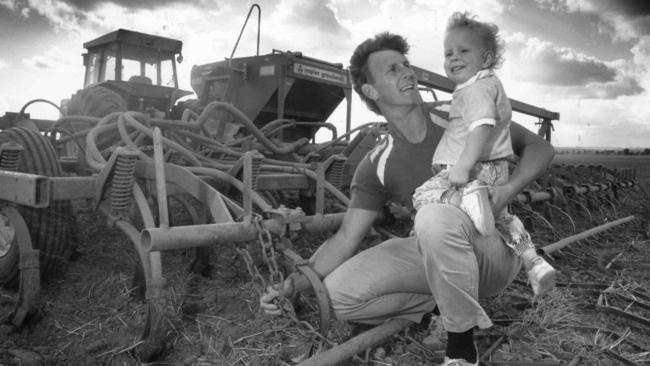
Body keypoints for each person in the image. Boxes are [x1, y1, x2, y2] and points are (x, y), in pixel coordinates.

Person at [260, 30, 555, 366]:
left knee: (432, 216)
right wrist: (293, 285)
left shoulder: (458, 114)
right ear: (371, 91)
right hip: (436, 248)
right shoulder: (376, 164)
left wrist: (505, 191)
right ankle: (437, 304)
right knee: (337, 296)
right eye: (393, 70)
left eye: (406, 65)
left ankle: (460, 347)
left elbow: (540, 148)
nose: (408, 73)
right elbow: (345, 238)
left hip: (492, 250)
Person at [412, 12, 556, 300]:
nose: (453, 58)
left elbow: (481, 127)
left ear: (487, 58)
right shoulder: (490, 84)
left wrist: (463, 169)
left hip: (472, 170)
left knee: (421, 196)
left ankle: (462, 200)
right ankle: (534, 262)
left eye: (463, 51)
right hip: (496, 170)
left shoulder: (475, 88)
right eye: (448, 53)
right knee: (503, 221)